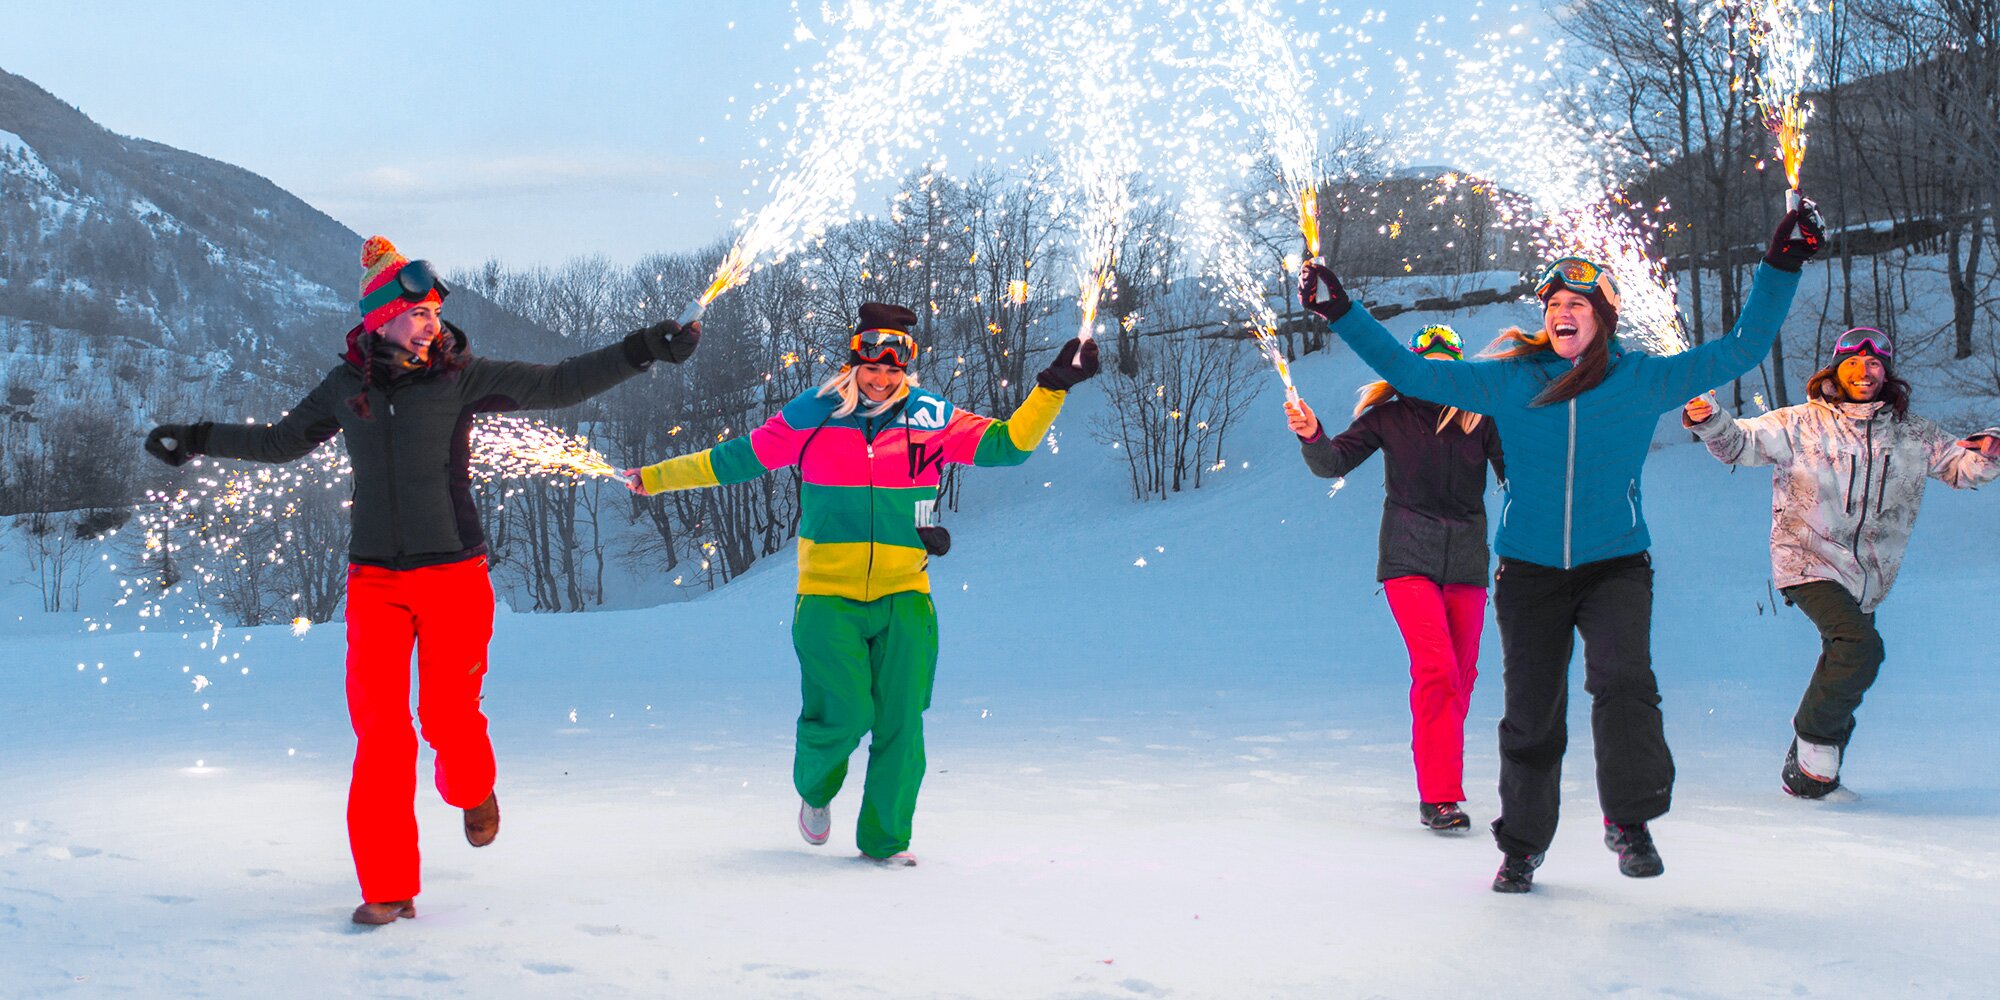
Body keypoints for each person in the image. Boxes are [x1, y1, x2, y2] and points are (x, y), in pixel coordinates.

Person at [142, 236, 700, 924]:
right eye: (415, 313)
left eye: (434, 311)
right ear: (378, 319)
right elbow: (281, 443)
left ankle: (474, 787)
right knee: (380, 732)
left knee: (447, 718)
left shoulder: (460, 377)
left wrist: (644, 348)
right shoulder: (346, 389)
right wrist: (194, 437)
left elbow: (559, 383)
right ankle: (388, 886)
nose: (430, 322)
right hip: (373, 580)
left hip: (455, 575)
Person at [1299, 200, 1823, 893]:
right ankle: (1521, 846)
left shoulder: (1643, 379)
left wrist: (1781, 264)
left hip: (1616, 564)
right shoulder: (1511, 381)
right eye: (1553, 304)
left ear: (1602, 316)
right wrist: (1341, 311)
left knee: (1624, 684)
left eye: (1578, 302)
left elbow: (1740, 349)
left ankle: (1629, 823)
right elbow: (1414, 372)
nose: (1562, 312)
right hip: (1530, 572)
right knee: (1532, 710)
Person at [624, 303, 1098, 866]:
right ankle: (816, 791)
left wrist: (1053, 386)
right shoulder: (816, 413)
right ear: (854, 363)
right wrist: (656, 478)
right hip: (828, 598)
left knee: (902, 723)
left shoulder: (929, 417)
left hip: (905, 598)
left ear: (907, 370)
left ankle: (884, 842)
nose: (882, 378)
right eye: (873, 367)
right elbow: (738, 459)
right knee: (843, 713)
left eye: (894, 369)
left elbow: (1008, 445)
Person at [1682, 327, 2000, 798]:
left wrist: (1990, 448)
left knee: (1847, 657)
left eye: (1874, 364)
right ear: (1836, 369)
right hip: (1805, 557)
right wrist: (1709, 419)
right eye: (1853, 362)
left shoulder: (1912, 433)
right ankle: (1813, 741)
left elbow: (1960, 466)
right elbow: (1738, 444)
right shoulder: (1799, 423)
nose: (1864, 372)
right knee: (1860, 648)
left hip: (1871, 573)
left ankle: (1815, 777)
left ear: (1886, 372)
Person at [1284, 324, 1505, 833]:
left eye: (1447, 364)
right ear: (1409, 368)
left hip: (1467, 563)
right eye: (1426, 364)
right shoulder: (1388, 417)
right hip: (1408, 559)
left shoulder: (1482, 419)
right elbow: (1332, 463)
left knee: (1460, 676)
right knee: (1436, 670)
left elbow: (1516, 473)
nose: (1436, 374)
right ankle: (1440, 797)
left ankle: (1437, 758)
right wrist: (1312, 432)